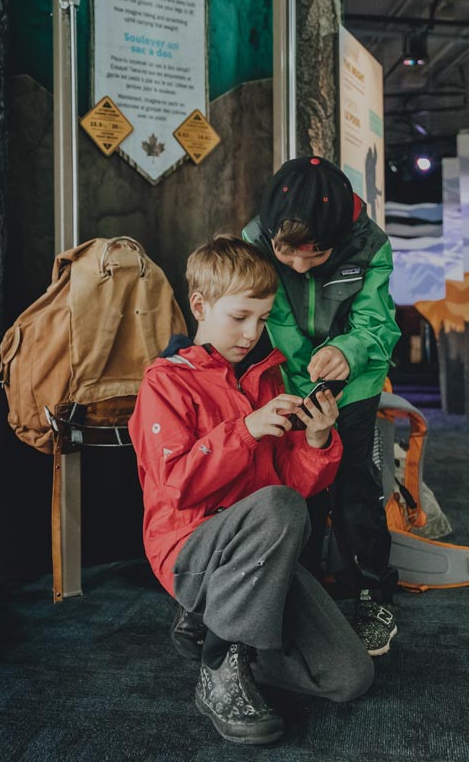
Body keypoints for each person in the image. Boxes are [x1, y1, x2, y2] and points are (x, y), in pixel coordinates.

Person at [128, 235, 374, 746]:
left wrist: (317, 438)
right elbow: (174, 487)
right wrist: (244, 431)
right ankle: (220, 666)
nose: (250, 333)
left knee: (350, 678)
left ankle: (225, 631)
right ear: (200, 305)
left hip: (259, 554)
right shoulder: (165, 382)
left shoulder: (266, 378)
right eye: (239, 316)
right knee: (277, 508)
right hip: (187, 548)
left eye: (261, 319)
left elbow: (290, 490)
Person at [243, 155, 401, 657]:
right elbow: (277, 321)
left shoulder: (371, 243)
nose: (298, 266)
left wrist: (345, 352)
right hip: (288, 380)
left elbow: (378, 325)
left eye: (315, 256)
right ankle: (303, 586)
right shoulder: (256, 240)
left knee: (354, 484)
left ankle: (374, 595)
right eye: (288, 255)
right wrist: (305, 377)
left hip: (355, 383)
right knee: (295, 485)